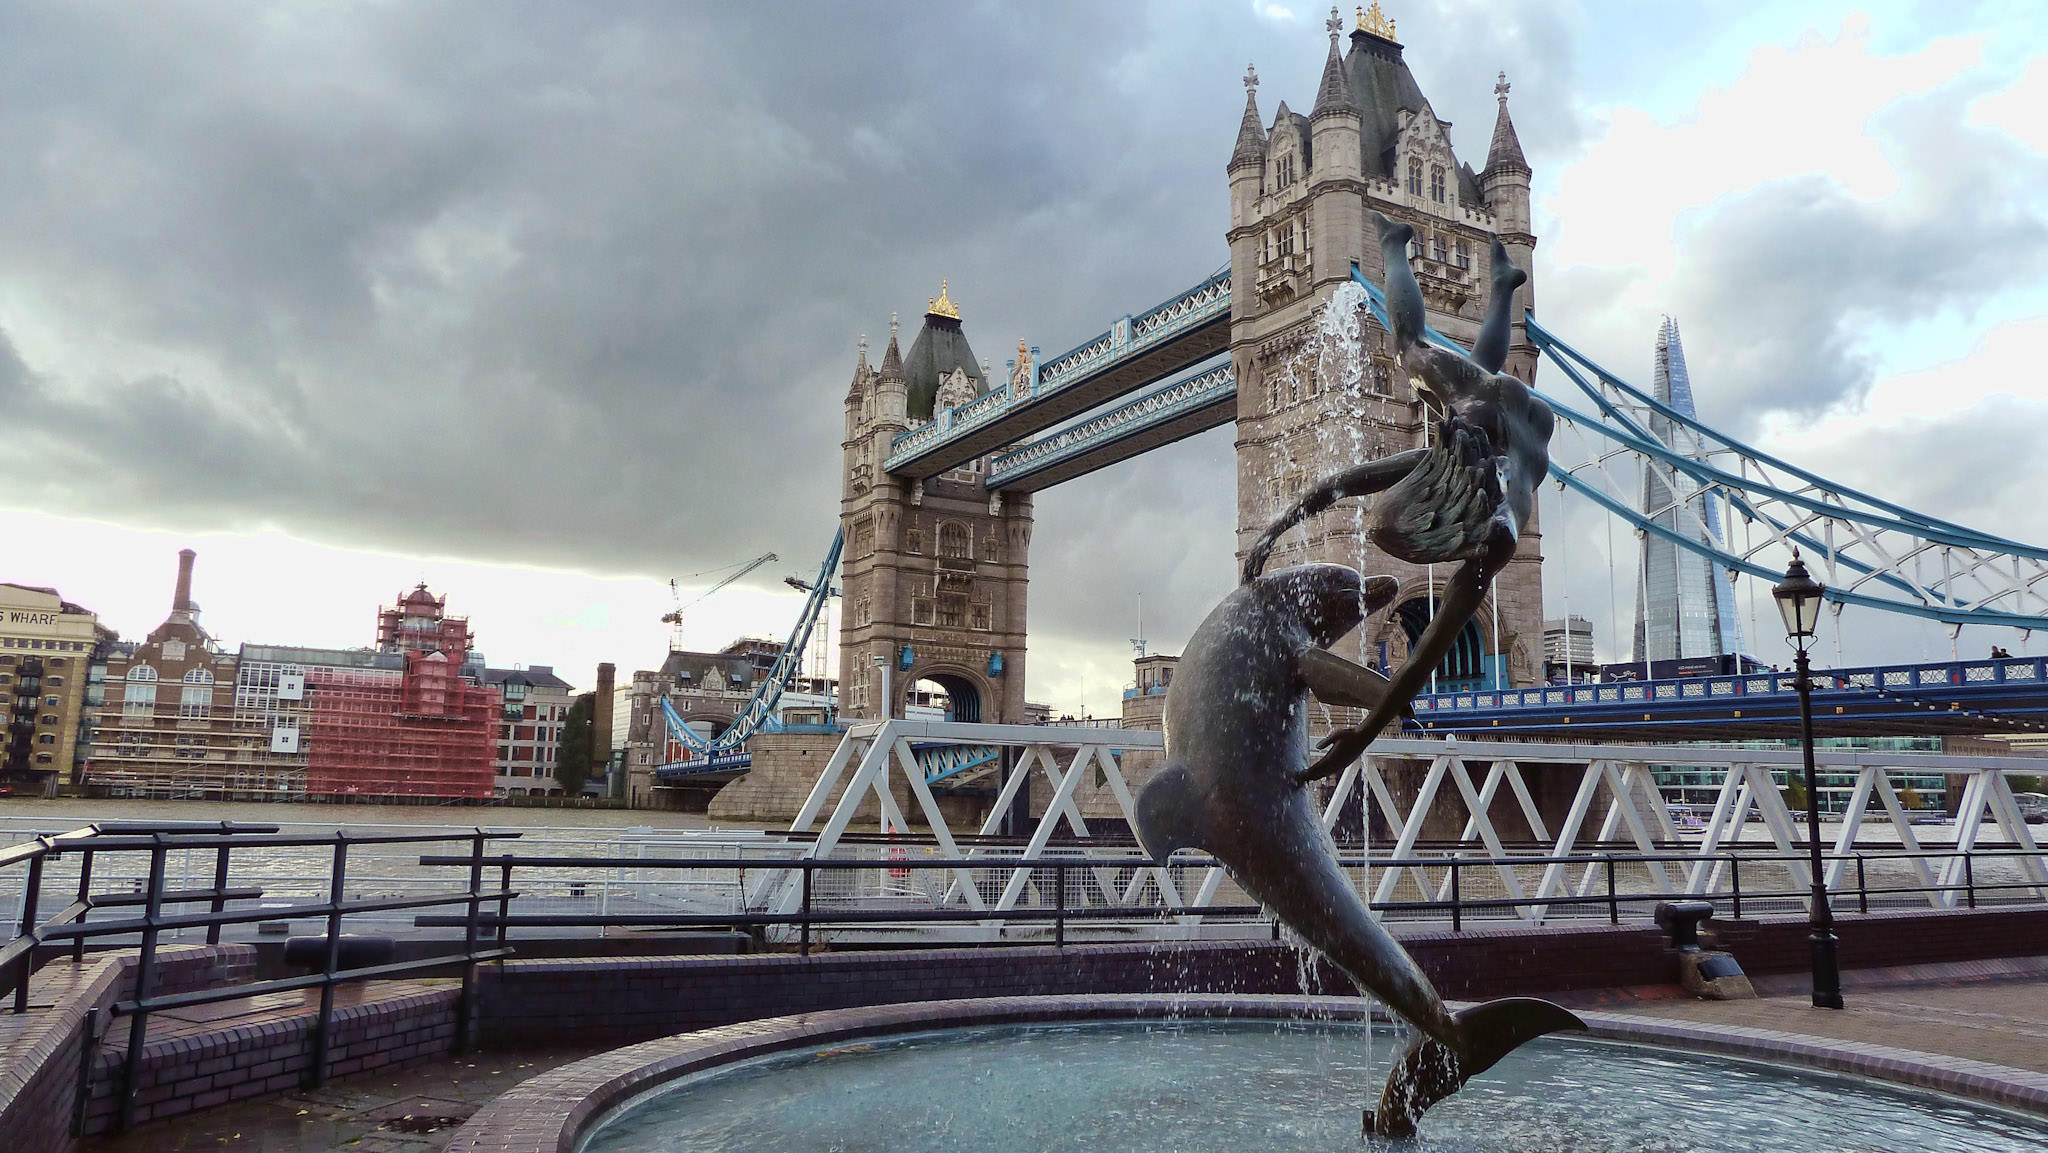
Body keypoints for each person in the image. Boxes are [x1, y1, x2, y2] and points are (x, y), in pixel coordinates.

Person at [1248, 213, 1556, 784]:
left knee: (1426, 353)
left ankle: (1410, 250)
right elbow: (1349, 481)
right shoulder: (1472, 477)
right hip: (1495, 413)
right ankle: (1478, 277)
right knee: (1415, 350)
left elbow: (1422, 658)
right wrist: (1277, 526)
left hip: (1502, 415)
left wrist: (1366, 732)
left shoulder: (1487, 514)